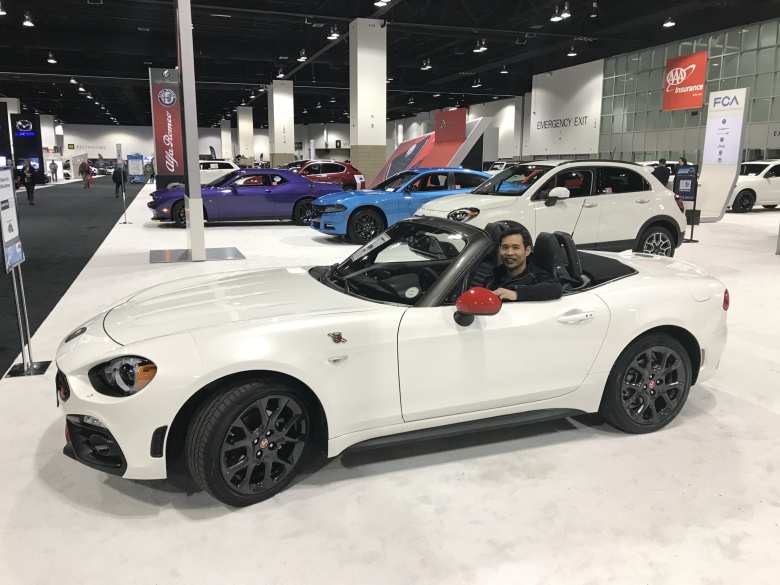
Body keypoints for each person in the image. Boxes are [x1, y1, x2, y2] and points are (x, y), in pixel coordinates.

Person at [485, 226, 562, 302]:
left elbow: (556, 288)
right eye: (505, 247)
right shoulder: (494, 275)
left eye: (515, 247)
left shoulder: (536, 276)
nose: (509, 253)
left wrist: (516, 294)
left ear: (527, 251)